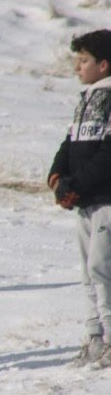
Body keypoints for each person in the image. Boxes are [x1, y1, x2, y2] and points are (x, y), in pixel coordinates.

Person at [48, 30, 111, 367]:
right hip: (84, 202)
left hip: (105, 200)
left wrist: (79, 185)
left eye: (84, 60)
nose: (77, 66)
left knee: (103, 269)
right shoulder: (87, 98)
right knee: (88, 271)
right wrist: (58, 176)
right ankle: (95, 336)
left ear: (104, 65)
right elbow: (70, 143)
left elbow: (107, 154)